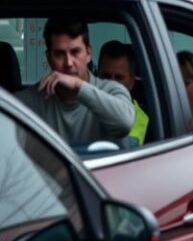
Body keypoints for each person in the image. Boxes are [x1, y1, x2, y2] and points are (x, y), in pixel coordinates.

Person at [15, 18, 134, 146]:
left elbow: (125, 123)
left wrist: (78, 86)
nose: (69, 63)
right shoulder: (29, 101)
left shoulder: (111, 90)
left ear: (88, 54)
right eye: (60, 54)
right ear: (49, 58)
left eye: (75, 52)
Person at [98, 40, 150, 146]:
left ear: (131, 82)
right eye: (106, 77)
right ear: (97, 77)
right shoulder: (82, 109)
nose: (111, 84)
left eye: (119, 78)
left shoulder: (148, 123)